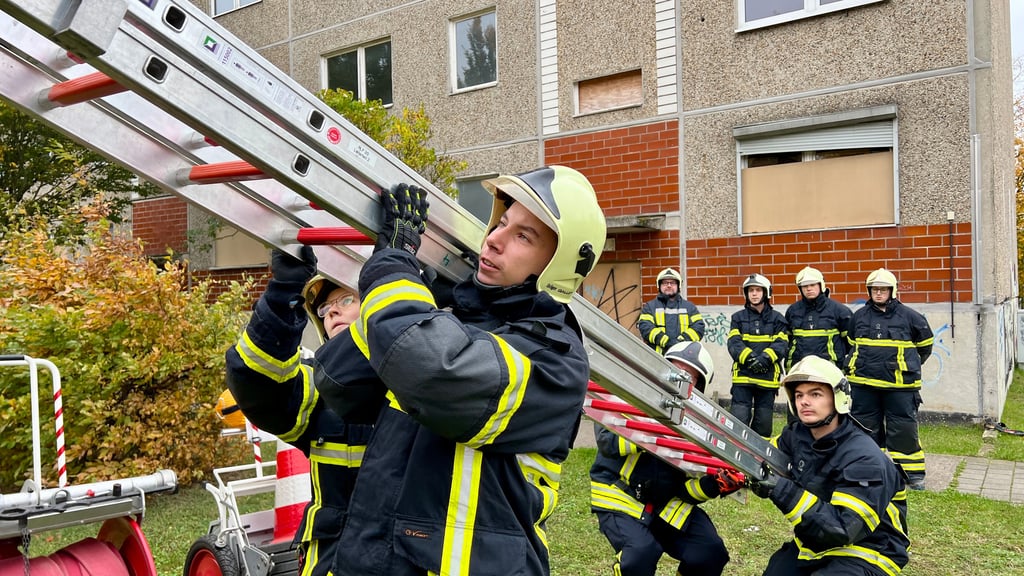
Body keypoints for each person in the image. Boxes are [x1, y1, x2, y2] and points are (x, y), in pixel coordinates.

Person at [313, 165, 607, 576]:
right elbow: (338, 381)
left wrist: (392, 271)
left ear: (557, 266)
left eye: (523, 236)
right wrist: (423, 302)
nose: (494, 240)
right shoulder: (451, 321)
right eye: (501, 223)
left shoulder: (553, 358)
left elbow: (431, 370)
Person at [225, 249, 375, 576]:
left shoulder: (419, 377)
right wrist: (282, 296)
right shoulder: (319, 388)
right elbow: (259, 382)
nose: (331, 310)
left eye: (346, 299)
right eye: (324, 308)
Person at [589, 341, 744, 576]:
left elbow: (687, 490)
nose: (680, 382)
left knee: (710, 553)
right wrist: (655, 429)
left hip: (666, 505)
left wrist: (714, 485)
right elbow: (607, 442)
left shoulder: (699, 429)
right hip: (622, 496)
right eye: (675, 371)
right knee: (640, 555)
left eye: (689, 378)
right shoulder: (629, 398)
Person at [749, 355, 910, 576]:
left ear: (838, 398)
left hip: (868, 551)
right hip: (816, 545)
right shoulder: (796, 436)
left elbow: (843, 529)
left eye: (815, 394)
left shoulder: (864, 458)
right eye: (799, 395)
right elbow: (761, 456)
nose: (804, 401)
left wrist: (781, 489)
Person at [845, 268, 933, 490]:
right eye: (875, 289)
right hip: (864, 385)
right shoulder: (859, 316)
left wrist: (905, 367)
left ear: (892, 291)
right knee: (864, 429)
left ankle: (912, 474)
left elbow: (924, 348)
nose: (879, 293)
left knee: (902, 429)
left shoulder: (912, 317)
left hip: (900, 386)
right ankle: (868, 471)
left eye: (883, 289)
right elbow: (851, 343)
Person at [727, 273, 789, 438]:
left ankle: (758, 460)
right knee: (738, 421)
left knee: (763, 424)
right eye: (750, 290)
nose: (754, 294)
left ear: (766, 293)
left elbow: (782, 344)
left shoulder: (778, 319)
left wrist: (765, 359)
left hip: (767, 378)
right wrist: (749, 358)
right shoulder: (737, 318)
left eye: (758, 290)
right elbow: (734, 343)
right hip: (743, 378)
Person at [785, 266, 852, 370]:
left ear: (821, 285)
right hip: (799, 370)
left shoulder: (839, 311)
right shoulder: (792, 311)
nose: (809, 289)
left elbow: (851, 344)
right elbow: (787, 342)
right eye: (805, 286)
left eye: (812, 285)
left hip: (829, 370)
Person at [637, 268, 705, 353]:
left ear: (678, 286)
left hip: (682, 358)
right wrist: (666, 341)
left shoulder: (690, 307)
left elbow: (699, 327)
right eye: (665, 283)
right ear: (659, 286)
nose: (669, 285)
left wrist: (681, 341)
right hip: (657, 359)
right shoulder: (649, 307)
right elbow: (645, 327)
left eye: (672, 283)